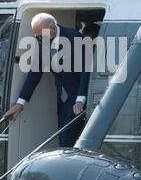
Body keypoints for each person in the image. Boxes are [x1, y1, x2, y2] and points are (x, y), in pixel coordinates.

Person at [5, 13, 89, 147]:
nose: (38, 38)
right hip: (62, 98)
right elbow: (35, 72)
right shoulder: (42, 39)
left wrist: (80, 100)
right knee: (62, 139)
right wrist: (20, 103)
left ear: (53, 29)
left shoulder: (74, 37)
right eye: (36, 36)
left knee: (68, 139)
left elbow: (86, 70)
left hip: (77, 97)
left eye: (40, 35)